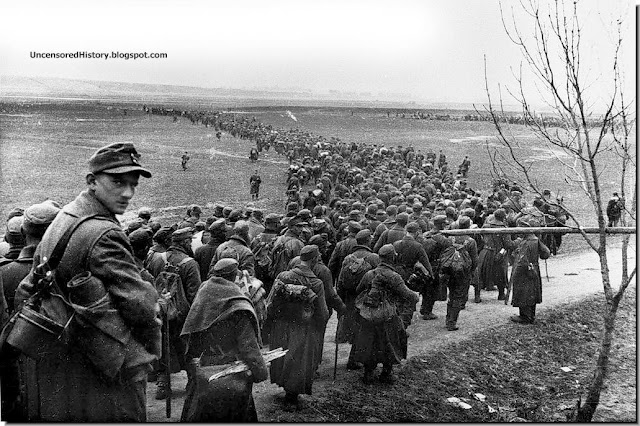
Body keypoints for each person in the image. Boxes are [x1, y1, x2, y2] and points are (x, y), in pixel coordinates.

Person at [14, 142, 162, 422]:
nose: (128, 193)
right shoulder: (104, 233)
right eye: (118, 182)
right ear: (92, 181)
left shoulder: (67, 215)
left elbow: (27, 286)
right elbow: (142, 307)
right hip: (101, 374)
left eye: (133, 184)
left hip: (60, 361)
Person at [180, 258, 269, 422]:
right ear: (234, 275)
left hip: (204, 367)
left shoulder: (204, 292)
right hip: (230, 372)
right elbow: (248, 347)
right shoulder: (238, 304)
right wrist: (260, 371)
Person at [0, 200, 60, 421]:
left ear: (24, 232)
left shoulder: (4, 273)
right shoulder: (70, 274)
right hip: (59, 380)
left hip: (17, 377)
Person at [265, 245, 330, 410]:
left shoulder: (283, 275)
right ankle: (291, 397)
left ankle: (284, 388)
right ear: (314, 259)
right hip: (302, 328)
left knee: (282, 356)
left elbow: (271, 304)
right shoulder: (316, 283)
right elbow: (322, 313)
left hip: (281, 325)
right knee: (298, 360)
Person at [350, 244, 419, 384]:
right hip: (388, 315)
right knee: (393, 342)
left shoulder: (369, 273)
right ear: (392, 257)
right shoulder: (394, 276)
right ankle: (387, 373)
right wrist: (416, 295)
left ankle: (368, 373)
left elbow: (358, 289)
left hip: (369, 315)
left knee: (370, 344)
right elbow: (408, 295)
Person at [146, 227, 202, 400]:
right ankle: (193, 382)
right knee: (188, 349)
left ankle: (163, 384)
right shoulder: (190, 263)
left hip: (160, 312)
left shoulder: (155, 259)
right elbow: (195, 295)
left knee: (164, 346)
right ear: (185, 243)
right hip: (182, 316)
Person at [439, 216, 478, 331]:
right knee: (458, 296)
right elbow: (474, 260)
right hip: (463, 273)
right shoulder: (471, 241)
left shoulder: (450, 238)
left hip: (449, 270)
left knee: (451, 295)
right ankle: (451, 322)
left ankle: (448, 319)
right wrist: (471, 272)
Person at [510, 217, 551, 324]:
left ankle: (525, 317)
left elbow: (522, 260)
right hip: (535, 269)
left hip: (524, 271)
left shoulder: (526, 242)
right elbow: (546, 253)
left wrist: (516, 274)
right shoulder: (536, 240)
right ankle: (531, 315)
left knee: (523, 292)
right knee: (532, 292)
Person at [476, 208, 520, 300]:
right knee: (500, 274)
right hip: (499, 254)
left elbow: (480, 238)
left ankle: (477, 296)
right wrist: (518, 241)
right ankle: (501, 294)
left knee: (481, 273)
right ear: (503, 217)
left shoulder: (485, 226)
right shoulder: (504, 229)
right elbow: (508, 244)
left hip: (485, 252)